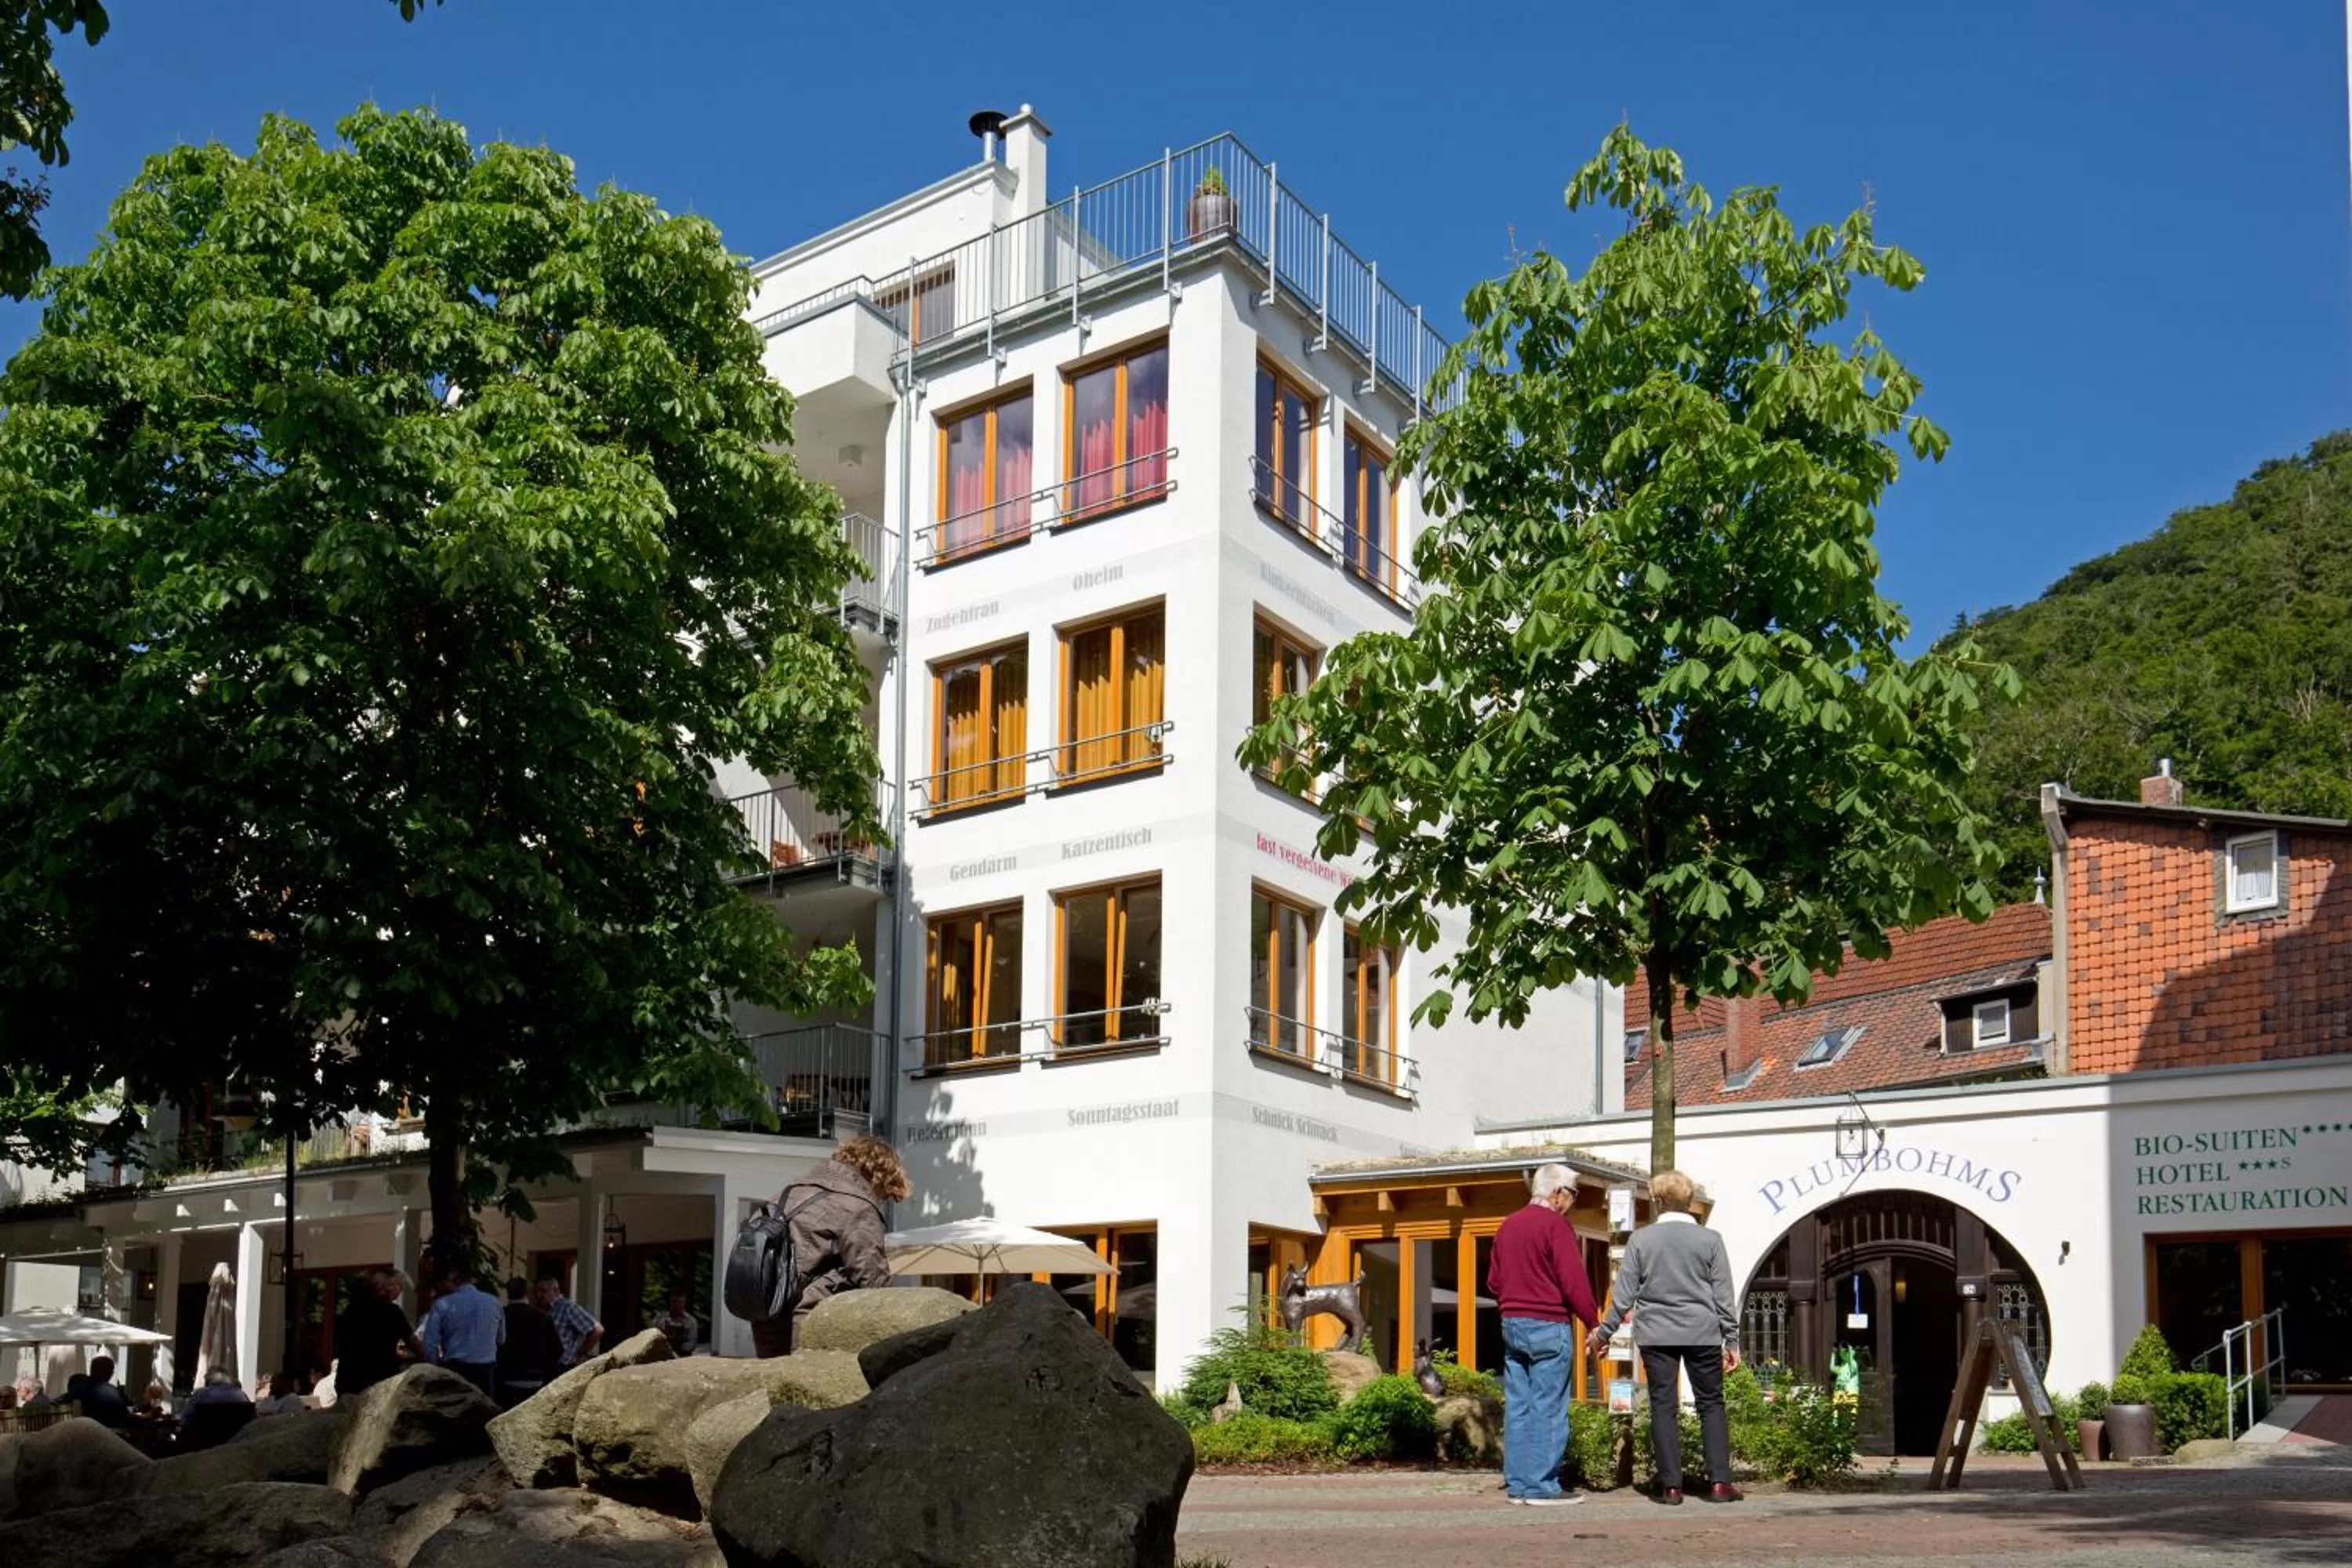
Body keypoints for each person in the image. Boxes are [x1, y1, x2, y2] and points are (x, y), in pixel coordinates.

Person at [1587, 1169, 1743, 1505]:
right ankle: (1719, 1483)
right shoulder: (1710, 1240)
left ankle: (1671, 1487)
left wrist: (1604, 1333)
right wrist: (1731, 1341)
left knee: (1662, 1405)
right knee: (1711, 1404)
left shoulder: (1642, 1240)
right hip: (1702, 1331)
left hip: (1656, 1333)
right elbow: (1723, 1295)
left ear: (1658, 1201)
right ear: (1688, 1202)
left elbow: (1624, 1295)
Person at [1486, 1163, 1599, 1506]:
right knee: (1549, 1406)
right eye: (1572, 1195)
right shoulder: (1555, 1225)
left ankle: (1518, 1483)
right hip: (1548, 1324)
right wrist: (1593, 1321)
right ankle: (1541, 1486)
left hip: (1512, 1323)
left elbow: (1493, 1281)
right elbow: (1572, 1279)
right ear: (1557, 1192)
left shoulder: (1508, 1225)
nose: (1572, 1202)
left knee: (1519, 1405)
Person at [751, 1134, 909, 1359]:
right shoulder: (857, 1206)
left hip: (765, 1312)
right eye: (885, 1194)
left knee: (771, 1383)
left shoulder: (788, 1194)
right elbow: (874, 1281)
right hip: (807, 1319)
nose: (881, 1200)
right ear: (879, 1176)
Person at [418, 1261, 506, 1399]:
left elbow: (430, 1344)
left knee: (455, 1413)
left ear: (451, 1280)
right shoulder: (493, 1302)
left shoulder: (442, 1304)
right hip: (485, 1368)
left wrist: (438, 1366)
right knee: (484, 1413)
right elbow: (501, 1339)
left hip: (455, 1368)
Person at [337, 1267, 423, 1397]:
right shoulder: (392, 1312)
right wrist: (426, 1356)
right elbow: (413, 1343)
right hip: (380, 1381)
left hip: (349, 1381)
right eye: (397, 1286)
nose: (398, 1291)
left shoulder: (350, 1311)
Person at [497, 1276, 561, 1406]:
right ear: (529, 1293)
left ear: (508, 1293)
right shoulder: (543, 1317)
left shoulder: (501, 1315)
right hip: (535, 1379)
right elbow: (557, 1349)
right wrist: (547, 1373)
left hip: (506, 1379)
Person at [534, 1276, 604, 1371]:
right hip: (544, 1366)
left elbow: (597, 1330)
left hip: (562, 1366)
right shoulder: (543, 1309)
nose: (538, 1295)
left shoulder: (568, 1307)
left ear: (556, 1291)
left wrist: (581, 1353)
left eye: (543, 1291)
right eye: (537, 1291)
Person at [64, 1354, 132, 1428]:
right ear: (109, 1373)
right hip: (112, 1434)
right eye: (112, 1371)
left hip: (86, 1431)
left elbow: (59, 1401)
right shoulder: (115, 1392)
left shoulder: (82, 1387)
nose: (112, 1373)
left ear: (92, 1370)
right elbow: (126, 1416)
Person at [652, 1291, 699, 1359]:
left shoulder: (691, 1321)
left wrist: (677, 1348)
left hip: (683, 1357)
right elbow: (653, 1336)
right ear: (670, 1302)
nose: (676, 1304)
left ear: (684, 1303)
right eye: (674, 1301)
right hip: (663, 1356)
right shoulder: (661, 1318)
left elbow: (692, 1343)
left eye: (679, 1302)